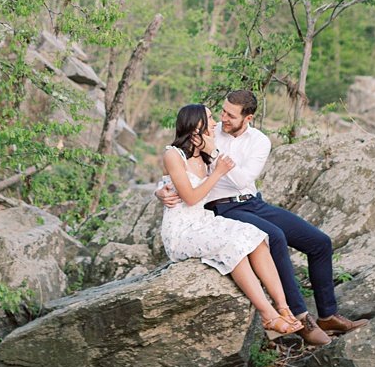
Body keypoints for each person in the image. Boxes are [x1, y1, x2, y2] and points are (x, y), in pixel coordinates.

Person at [155, 89, 363, 348]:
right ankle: (301, 318)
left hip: (253, 202)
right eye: (221, 113)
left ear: (248, 118)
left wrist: (217, 153)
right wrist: (161, 191)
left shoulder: (259, 141)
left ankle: (328, 315)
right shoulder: (210, 131)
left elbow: (242, 179)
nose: (223, 120)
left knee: (319, 242)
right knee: (273, 237)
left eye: (230, 115)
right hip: (223, 208)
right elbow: (180, 167)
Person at [157, 104, 304, 336]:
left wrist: (214, 160)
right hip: (182, 230)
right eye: (210, 118)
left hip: (204, 221)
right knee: (234, 246)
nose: (215, 123)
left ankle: (283, 307)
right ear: (196, 124)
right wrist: (216, 172)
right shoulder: (173, 155)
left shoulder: (204, 154)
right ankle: (267, 315)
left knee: (256, 237)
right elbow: (190, 197)